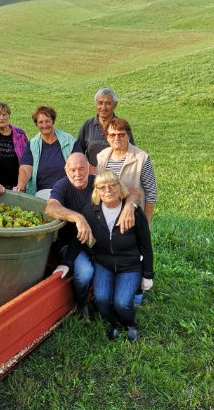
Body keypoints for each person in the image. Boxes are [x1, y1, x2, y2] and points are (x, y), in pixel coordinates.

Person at [45, 153, 136, 320]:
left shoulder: (98, 182)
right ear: (66, 170)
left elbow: (132, 191)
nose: (77, 174)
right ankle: (82, 303)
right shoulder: (62, 186)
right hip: (72, 244)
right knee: (85, 272)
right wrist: (78, 218)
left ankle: (123, 295)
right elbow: (50, 208)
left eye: (81, 169)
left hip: (98, 242)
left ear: (89, 168)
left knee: (118, 261)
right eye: (72, 170)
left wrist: (129, 206)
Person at [82, 170, 154, 342]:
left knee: (122, 303)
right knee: (102, 300)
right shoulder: (90, 211)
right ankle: (115, 324)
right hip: (104, 264)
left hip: (130, 265)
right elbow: (85, 239)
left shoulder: (133, 212)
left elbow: (146, 245)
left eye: (112, 185)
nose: (108, 190)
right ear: (97, 191)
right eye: (102, 187)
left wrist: (148, 275)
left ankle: (130, 324)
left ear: (119, 187)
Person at [96, 117, 157, 226]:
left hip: (133, 217)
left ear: (128, 136)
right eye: (112, 135)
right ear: (107, 137)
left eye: (121, 134)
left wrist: (146, 222)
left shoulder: (141, 158)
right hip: (106, 216)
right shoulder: (102, 157)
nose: (116, 138)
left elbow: (151, 193)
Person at [21, 105, 82, 199]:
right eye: (40, 122)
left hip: (66, 193)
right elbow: (25, 169)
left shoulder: (70, 142)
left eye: (47, 121)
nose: (44, 125)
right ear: (36, 124)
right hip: (40, 194)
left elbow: (79, 165)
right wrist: (21, 185)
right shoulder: (32, 145)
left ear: (53, 121)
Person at [77, 87, 134, 172]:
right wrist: (87, 166)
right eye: (100, 103)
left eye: (108, 103)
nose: (103, 107)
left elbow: (131, 152)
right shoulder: (87, 125)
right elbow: (78, 152)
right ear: (96, 104)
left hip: (117, 177)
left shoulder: (122, 126)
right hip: (92, 177)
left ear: (115, 105)